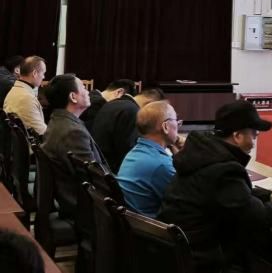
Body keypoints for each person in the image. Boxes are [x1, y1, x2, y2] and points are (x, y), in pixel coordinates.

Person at [158, 99, 272, 272]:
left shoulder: (202, 155)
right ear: (237, 136)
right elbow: (258, 218)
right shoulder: (224, 169)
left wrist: (269, 196)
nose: (254, 141)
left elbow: (230, 197)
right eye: (254, 134)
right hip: (206, 261)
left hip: (183, 252)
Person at [42, 73, 108, 216]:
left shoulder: (59, 120)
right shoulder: (73, 132)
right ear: (73, 97)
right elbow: (95, 178)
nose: (88, 92)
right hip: (85, 206)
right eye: (83, 88)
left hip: (74, 196)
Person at [117, 100, 181, 218]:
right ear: (165, 127)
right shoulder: (161, 164)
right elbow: (187, 199)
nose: (178, 125)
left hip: (132, 222)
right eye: (176, 121)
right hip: (152, 226)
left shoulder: (136, 152)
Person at [92, 86, 164, 172]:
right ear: (150, 103)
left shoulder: (113, 103)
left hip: (99, 164)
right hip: (112, 170)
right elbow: (129, 152)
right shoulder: (132, 111)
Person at [2, 55, 48, 135]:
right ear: (34, 73)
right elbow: (42, 133)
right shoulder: (26, 98)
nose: (43, 77)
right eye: (43, 73)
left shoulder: (15, 90)